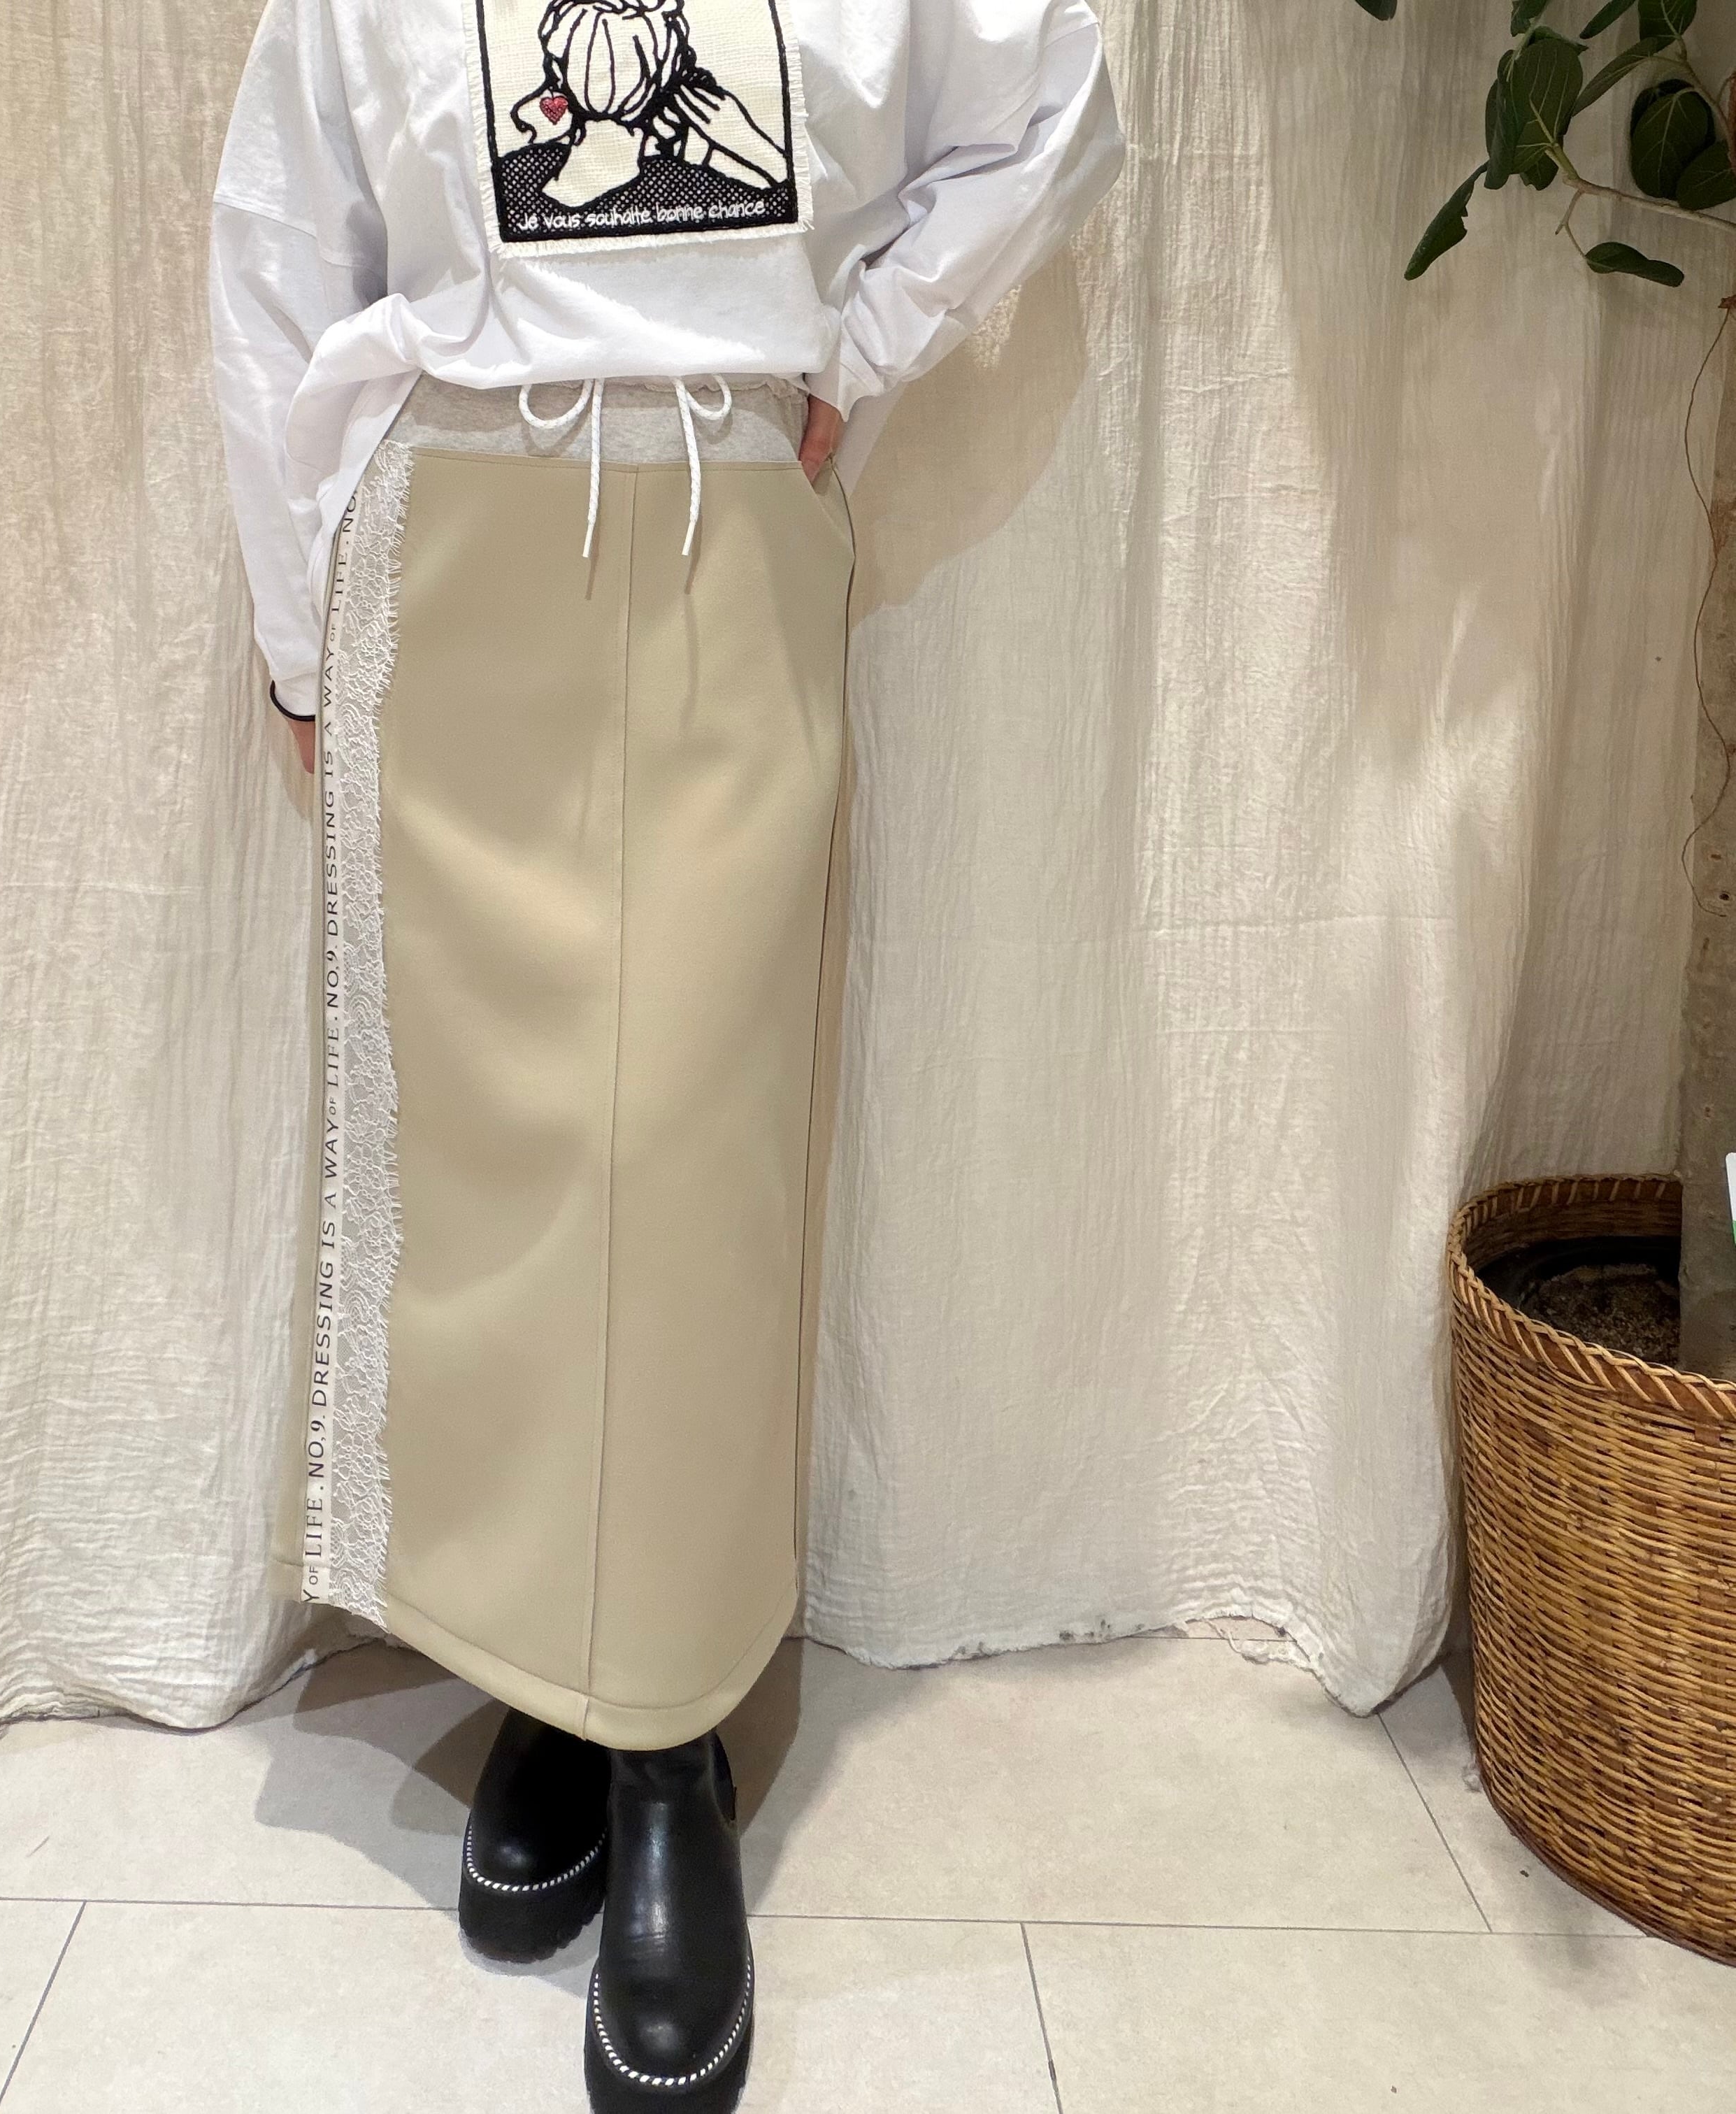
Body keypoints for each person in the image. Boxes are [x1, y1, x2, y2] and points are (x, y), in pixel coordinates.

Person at [208, 3, 1124, 2106]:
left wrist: (861, 349)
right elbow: (279, 246)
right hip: (459, 537)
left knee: (690, 1167)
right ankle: (554, 1680)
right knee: (511, 1168)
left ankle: (666, 1749)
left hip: (728, 523)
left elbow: (1056, 100)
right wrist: (292, 628)